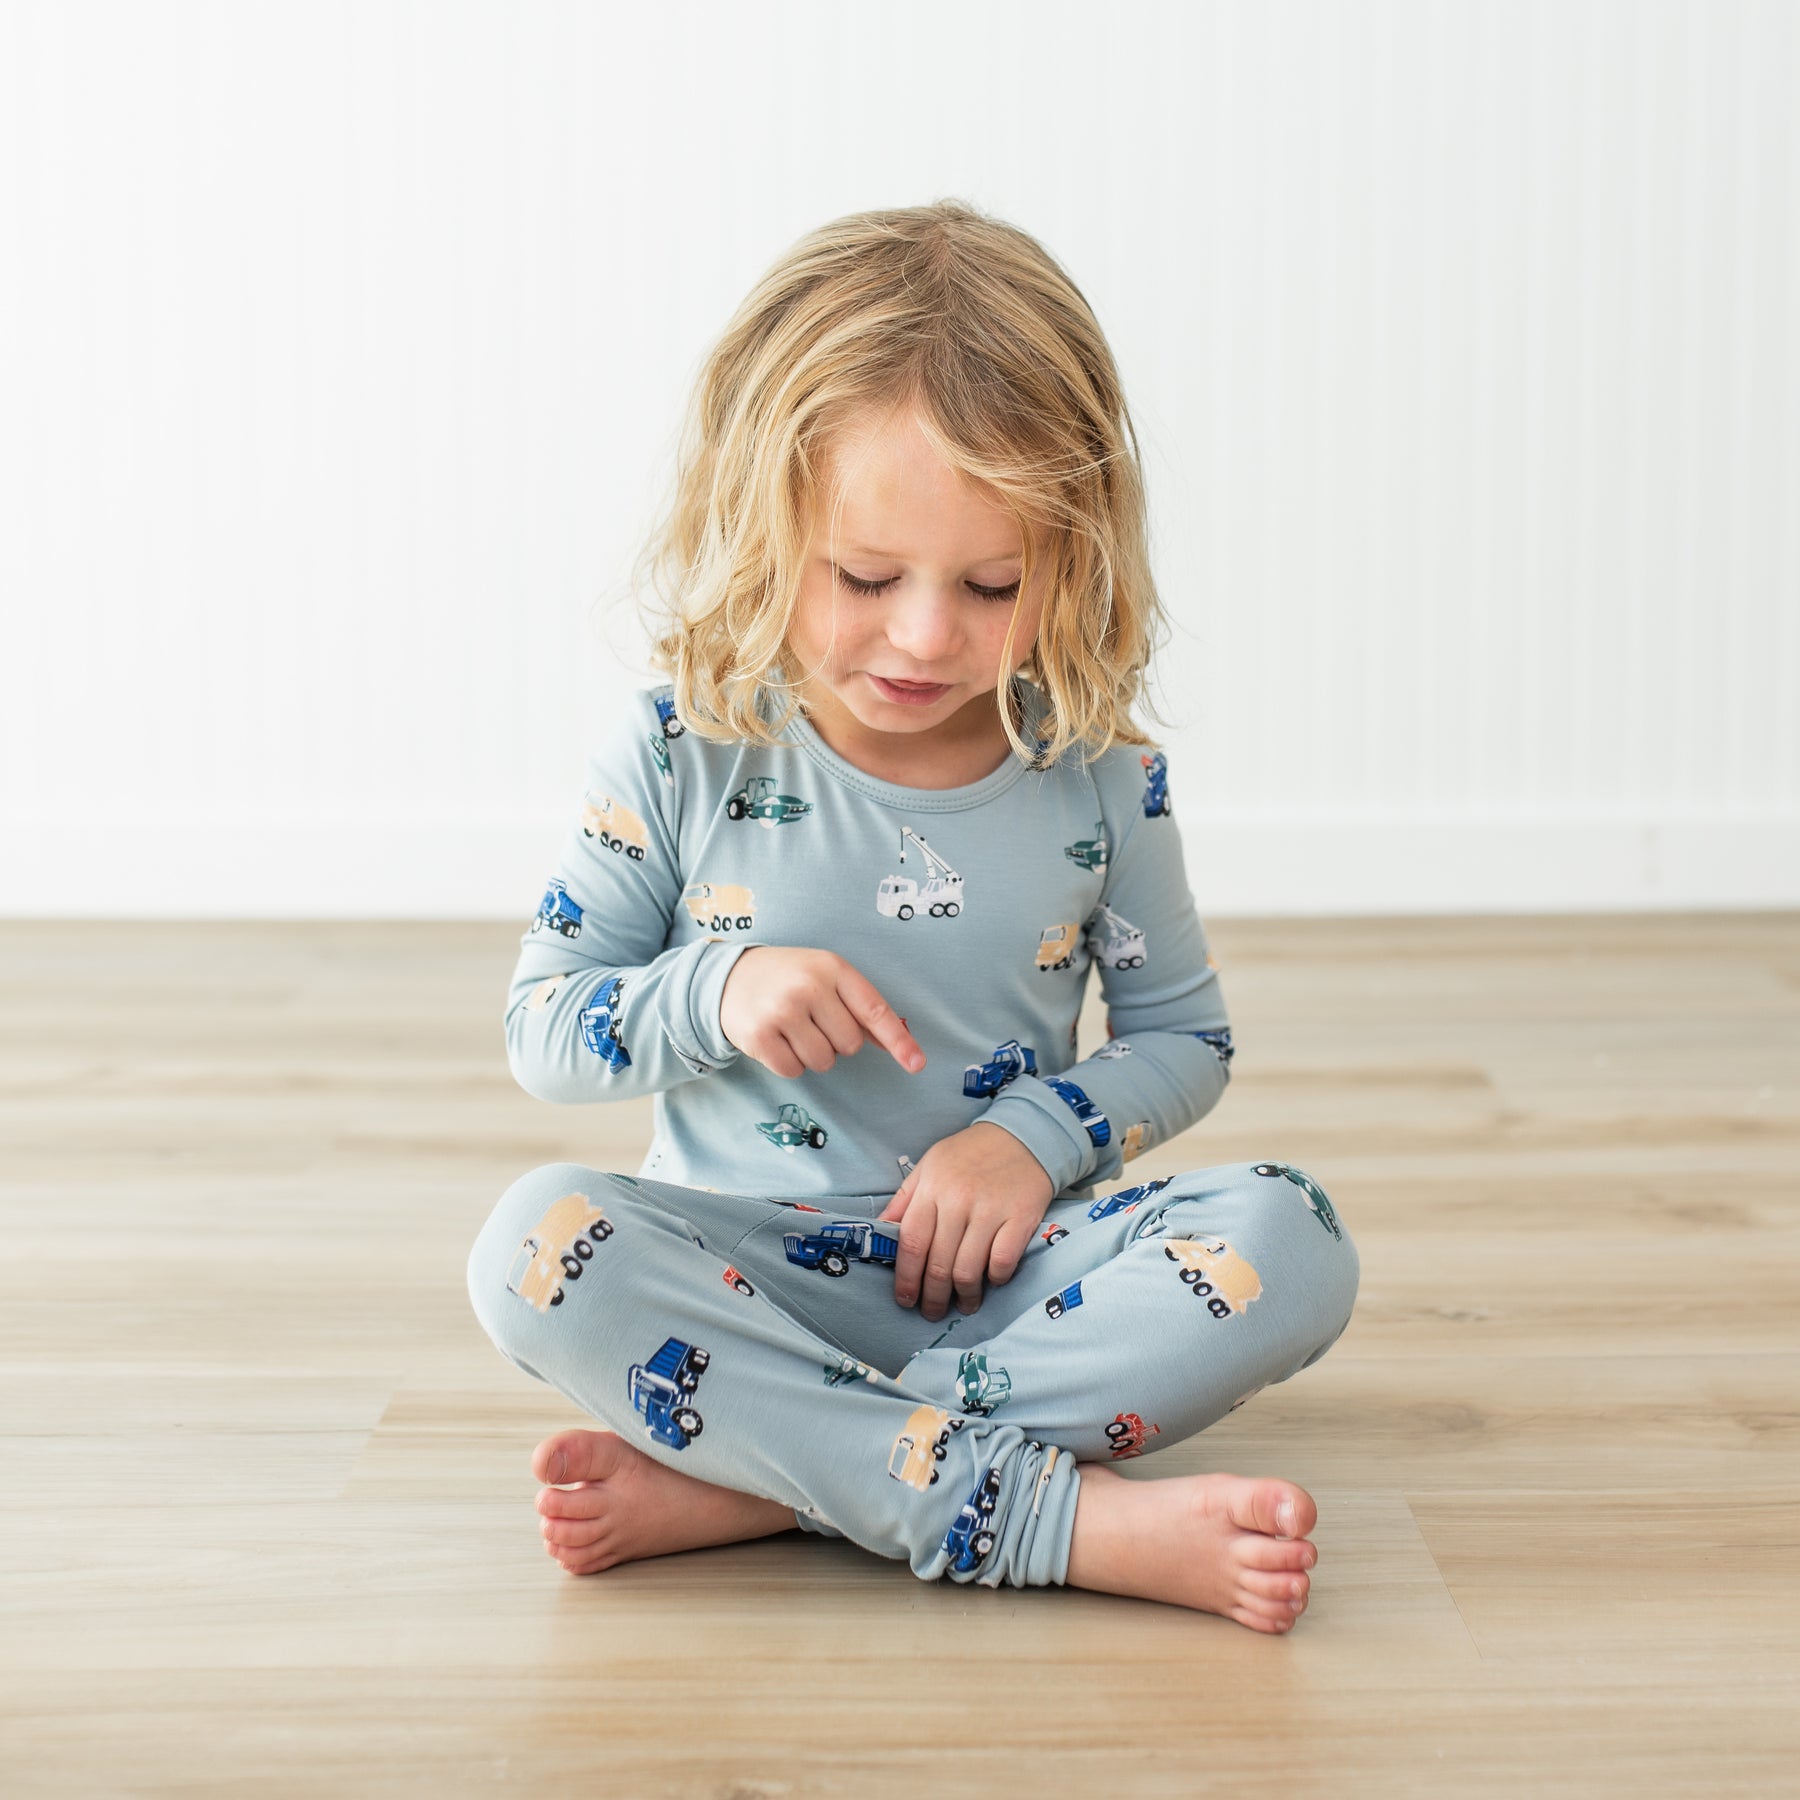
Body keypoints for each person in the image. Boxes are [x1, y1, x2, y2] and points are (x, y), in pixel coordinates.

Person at [466, 199, 1359, 1634]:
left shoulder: (1100, 777)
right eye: (867, 578)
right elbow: (544, 1030)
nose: (929, 635)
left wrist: (1027, 1143)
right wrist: (714, 989)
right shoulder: (684, 746)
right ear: (764, 525)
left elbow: (1184, 1039)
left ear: (1073, 554)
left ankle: (768, 1478)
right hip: (742, 1279)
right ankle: (1054, 1522)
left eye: (993, 584)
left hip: (1010, 1291)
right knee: (531, 1243)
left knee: (1293, 1232)